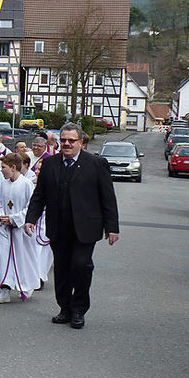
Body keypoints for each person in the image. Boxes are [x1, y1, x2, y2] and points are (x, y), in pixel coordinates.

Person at [25, 122, 119, 329]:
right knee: (63, 269)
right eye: (64, 140)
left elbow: (108, 198)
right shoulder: (50, 164)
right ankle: (65, 308)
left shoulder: (96, 164)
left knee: (81, 266)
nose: (67, 144)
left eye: (71, 141)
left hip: (86, 228)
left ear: (81, 143)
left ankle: (79, 310)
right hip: (59, 228)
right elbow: (39, 195)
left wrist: (112, 227)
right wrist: (31, 218)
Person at [0, 153, 40, 303]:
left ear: (13, 167)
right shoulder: (4, 184)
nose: (2, 171)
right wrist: (2, 216)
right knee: (5, 259)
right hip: (6, 230)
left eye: (4, 168)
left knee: (22, 258)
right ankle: (5, 289)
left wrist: (14, 219)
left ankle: (26, 285)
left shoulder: (26, 184)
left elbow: (31, 207)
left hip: (21, 229)